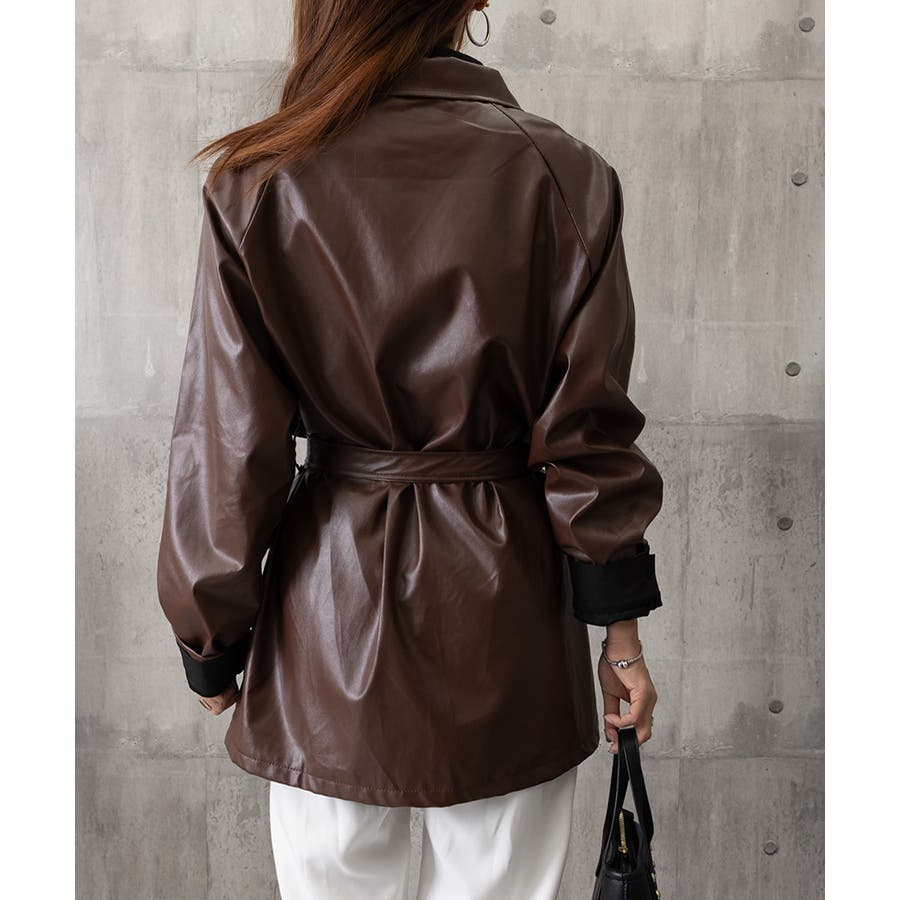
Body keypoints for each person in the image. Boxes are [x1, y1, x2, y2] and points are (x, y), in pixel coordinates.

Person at [156, 2, 664, 898]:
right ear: (474, 4)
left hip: (327, 629)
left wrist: (210, 634)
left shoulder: (261, 180)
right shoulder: (565, 174)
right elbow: (590, 434)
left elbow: (228, 442)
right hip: (508, 623)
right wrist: (619, 639)